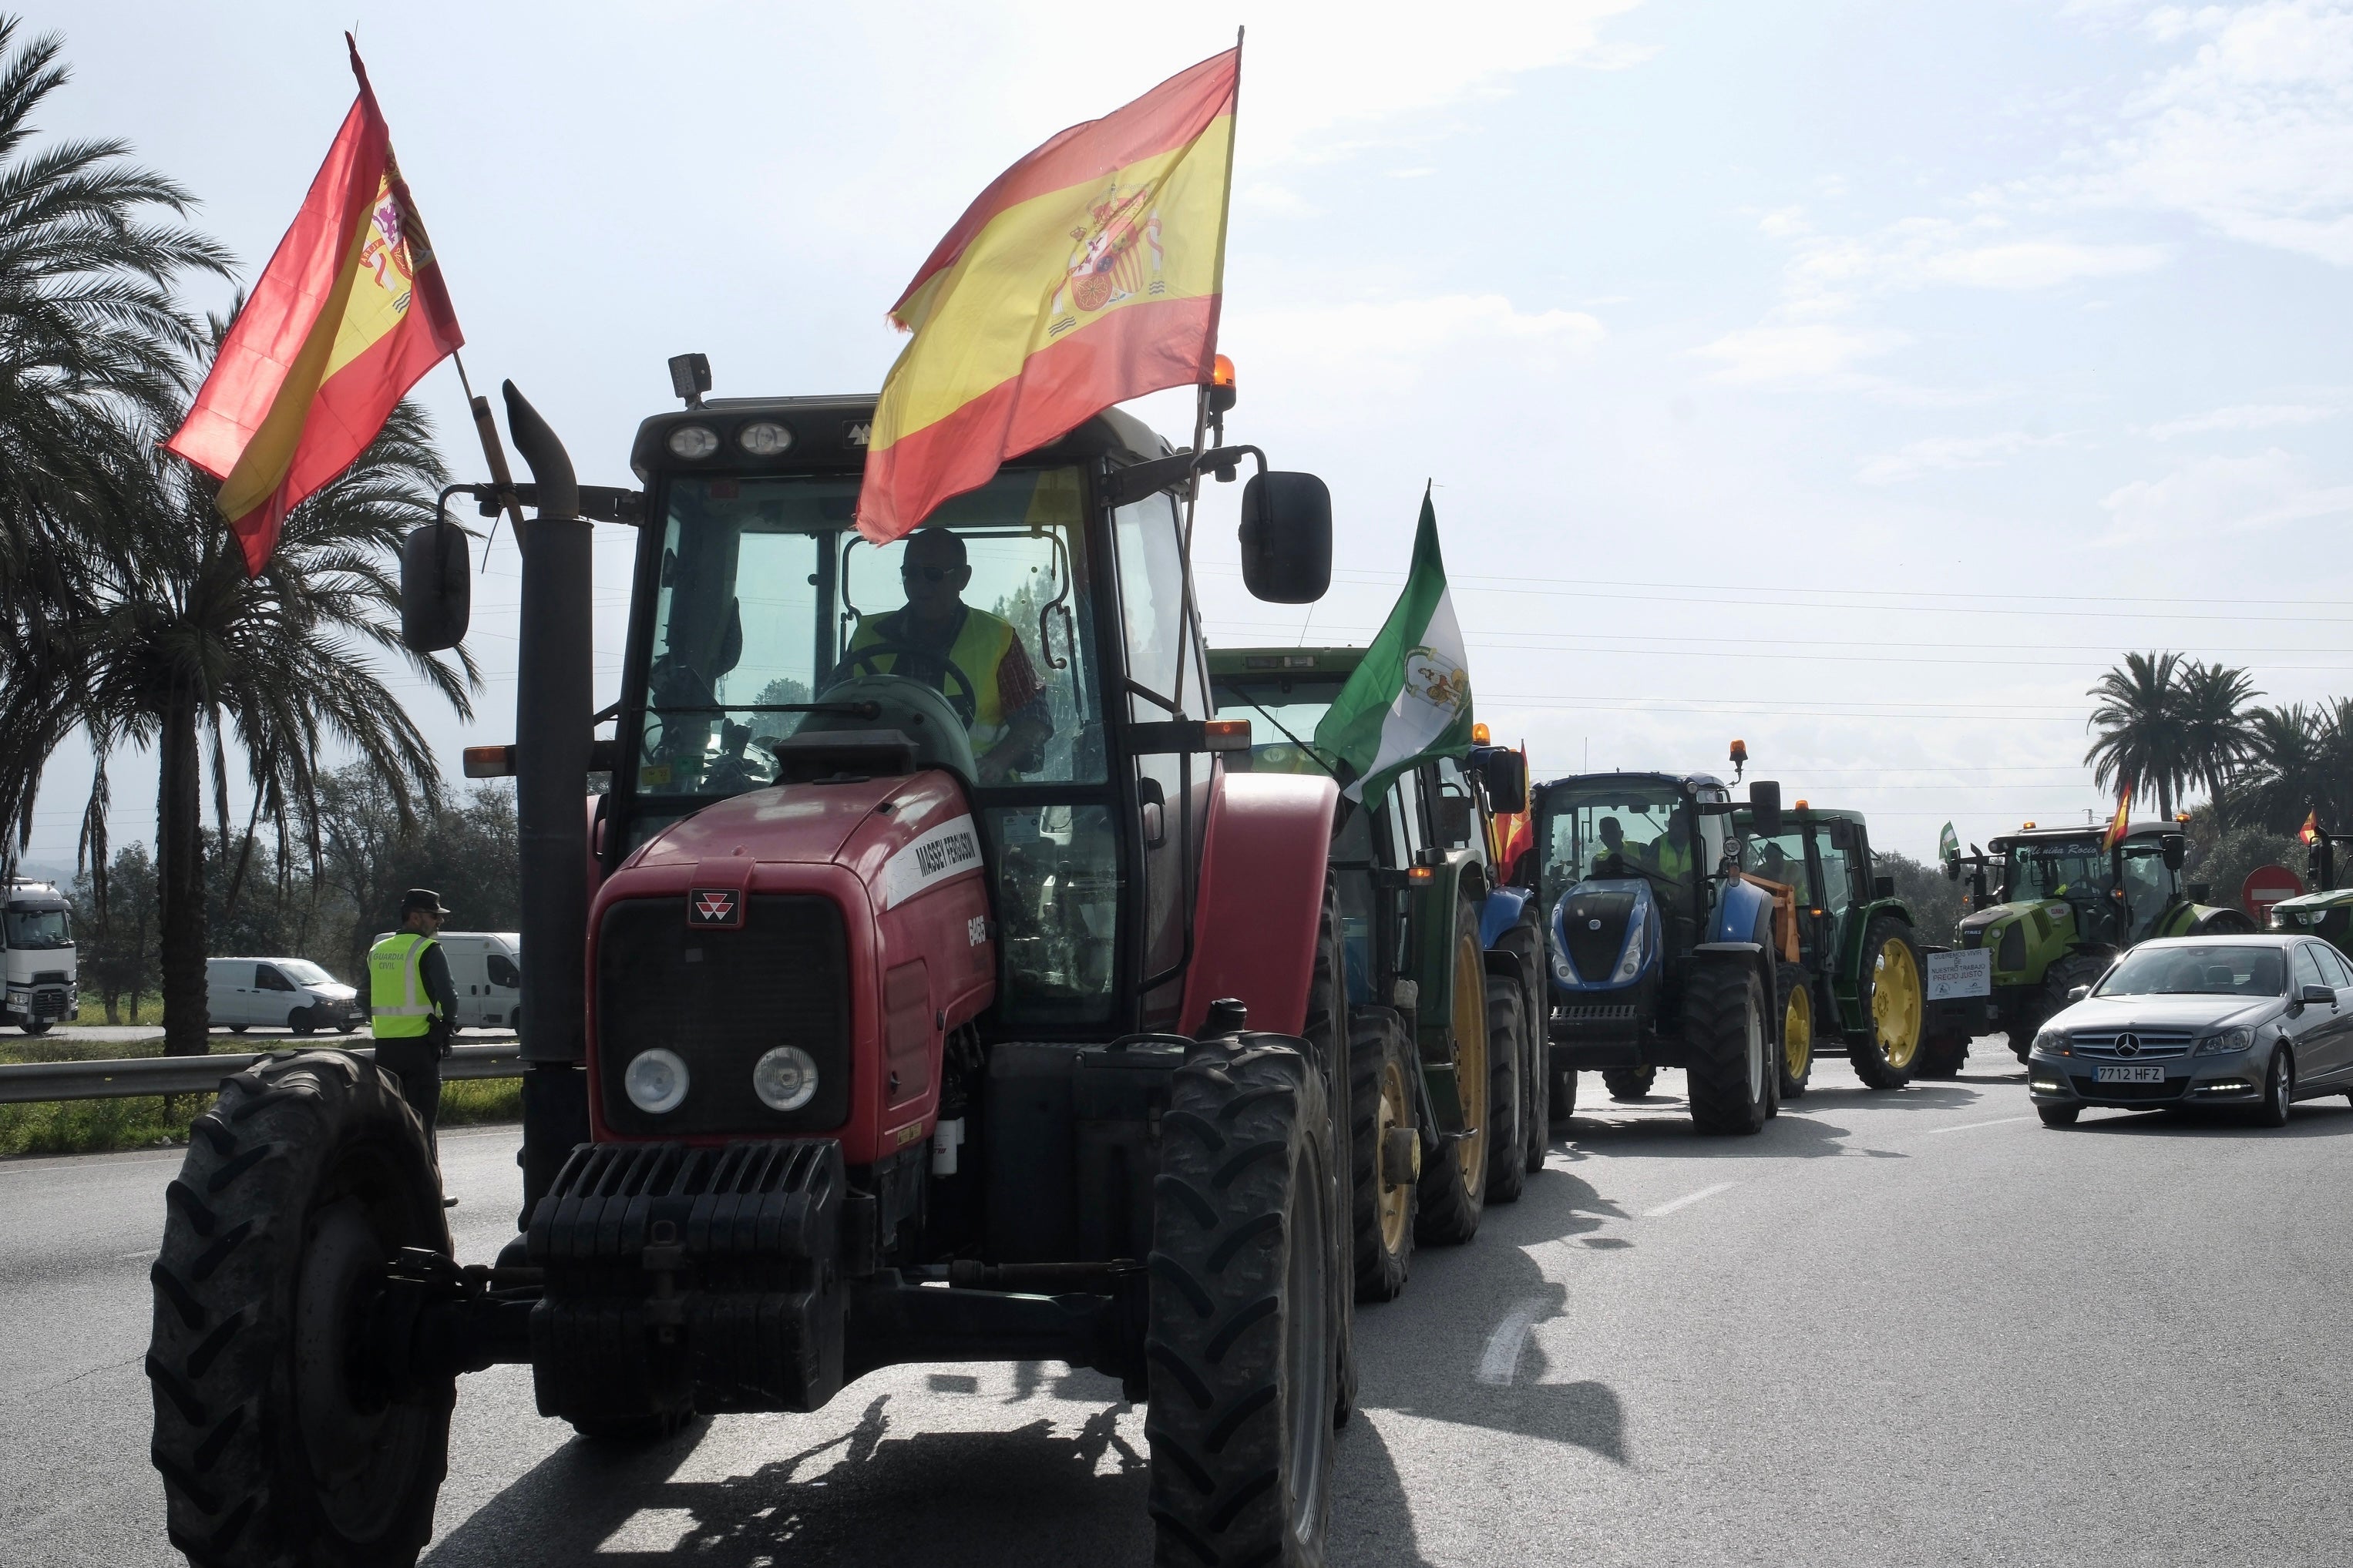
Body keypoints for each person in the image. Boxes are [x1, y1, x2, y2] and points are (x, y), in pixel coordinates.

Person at [849, 527, 1054, 784]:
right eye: (911, 573)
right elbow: (830, 714)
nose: (920, 585)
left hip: (977, 792)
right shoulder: (866, 637)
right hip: (883, 786)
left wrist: (996, 763)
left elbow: (1035, 719)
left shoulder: (997, 638)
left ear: (963, 578)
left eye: (933, 575)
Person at [369, 888, 459, 1197]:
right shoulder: (428, 949)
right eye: (435, 916)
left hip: (385, 1051)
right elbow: (448, 997)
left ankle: (390, 1189)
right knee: (423, 1122)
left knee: (391, 1122)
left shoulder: (377, 950)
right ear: (416, 917)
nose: (438, 923)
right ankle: (429, 1194)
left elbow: (362, 996)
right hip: (420, 1049)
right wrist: (446, 1023)